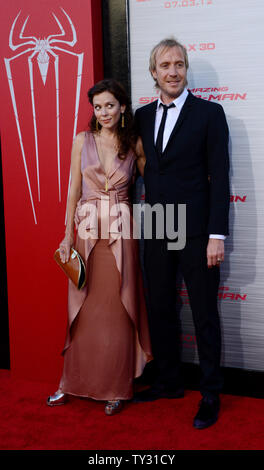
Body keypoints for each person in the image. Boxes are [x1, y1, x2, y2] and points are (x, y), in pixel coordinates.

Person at [133, 38, 230, 429]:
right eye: (165, 65)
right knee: (159, 308)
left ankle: (210, 392)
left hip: (196, 230)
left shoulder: (209, 113)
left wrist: (216, 235)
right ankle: (170, 381)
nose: (173, 71)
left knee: (204, 313)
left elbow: (220, 178)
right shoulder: (140, 115)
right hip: (156, 223)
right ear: (153, 73)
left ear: (185, 70)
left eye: (179, 64)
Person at [47, 79, 152, 415]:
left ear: (122, 107)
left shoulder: (133, 142)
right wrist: (66, 236)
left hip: (122, 233)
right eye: (98, 106)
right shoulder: (82, 140)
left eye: (110, 105)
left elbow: (158, 180)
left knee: (119, 309)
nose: (104, 112)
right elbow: (73, 190)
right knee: (85, 308)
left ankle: (116, 388)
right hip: (88, 233)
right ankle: (71, 382)